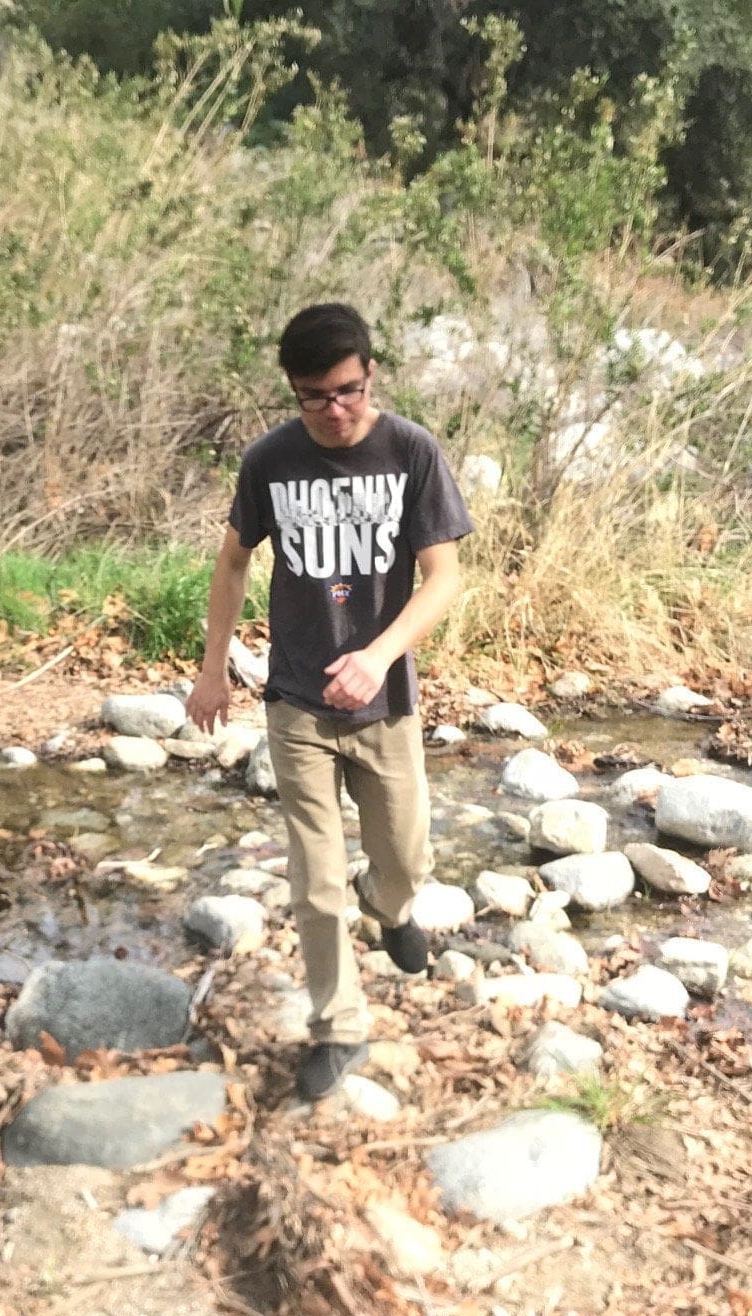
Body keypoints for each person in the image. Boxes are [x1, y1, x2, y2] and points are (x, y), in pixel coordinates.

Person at [186, 302, 473, 1101]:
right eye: (315, 397)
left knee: (406, 854)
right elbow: (234, 563)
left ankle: (388, 907)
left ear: (370, 373)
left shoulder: (411, 451)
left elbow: (444, 577)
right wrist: (214, 668)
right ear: (293, 391)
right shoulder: (270, 461)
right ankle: (339, 1026)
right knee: (313, 878)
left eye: (347, 391)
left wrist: (380, 657)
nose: (335, 411)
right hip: (297, 703)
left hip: (387, 702)